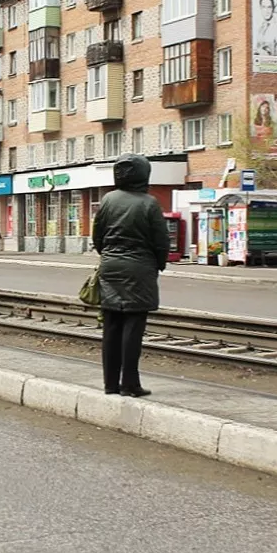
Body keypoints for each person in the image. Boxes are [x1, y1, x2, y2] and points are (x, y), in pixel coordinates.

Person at [92, 154, 170, 397]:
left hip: (110, 266)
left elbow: (98, 235)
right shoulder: (149, 203)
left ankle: (110, 384)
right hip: (139, 269)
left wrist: (108, 255)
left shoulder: (107, 200)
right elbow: (161, 240)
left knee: (111, 326)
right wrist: (158, 264)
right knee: (133, 327)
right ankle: (130, 384)